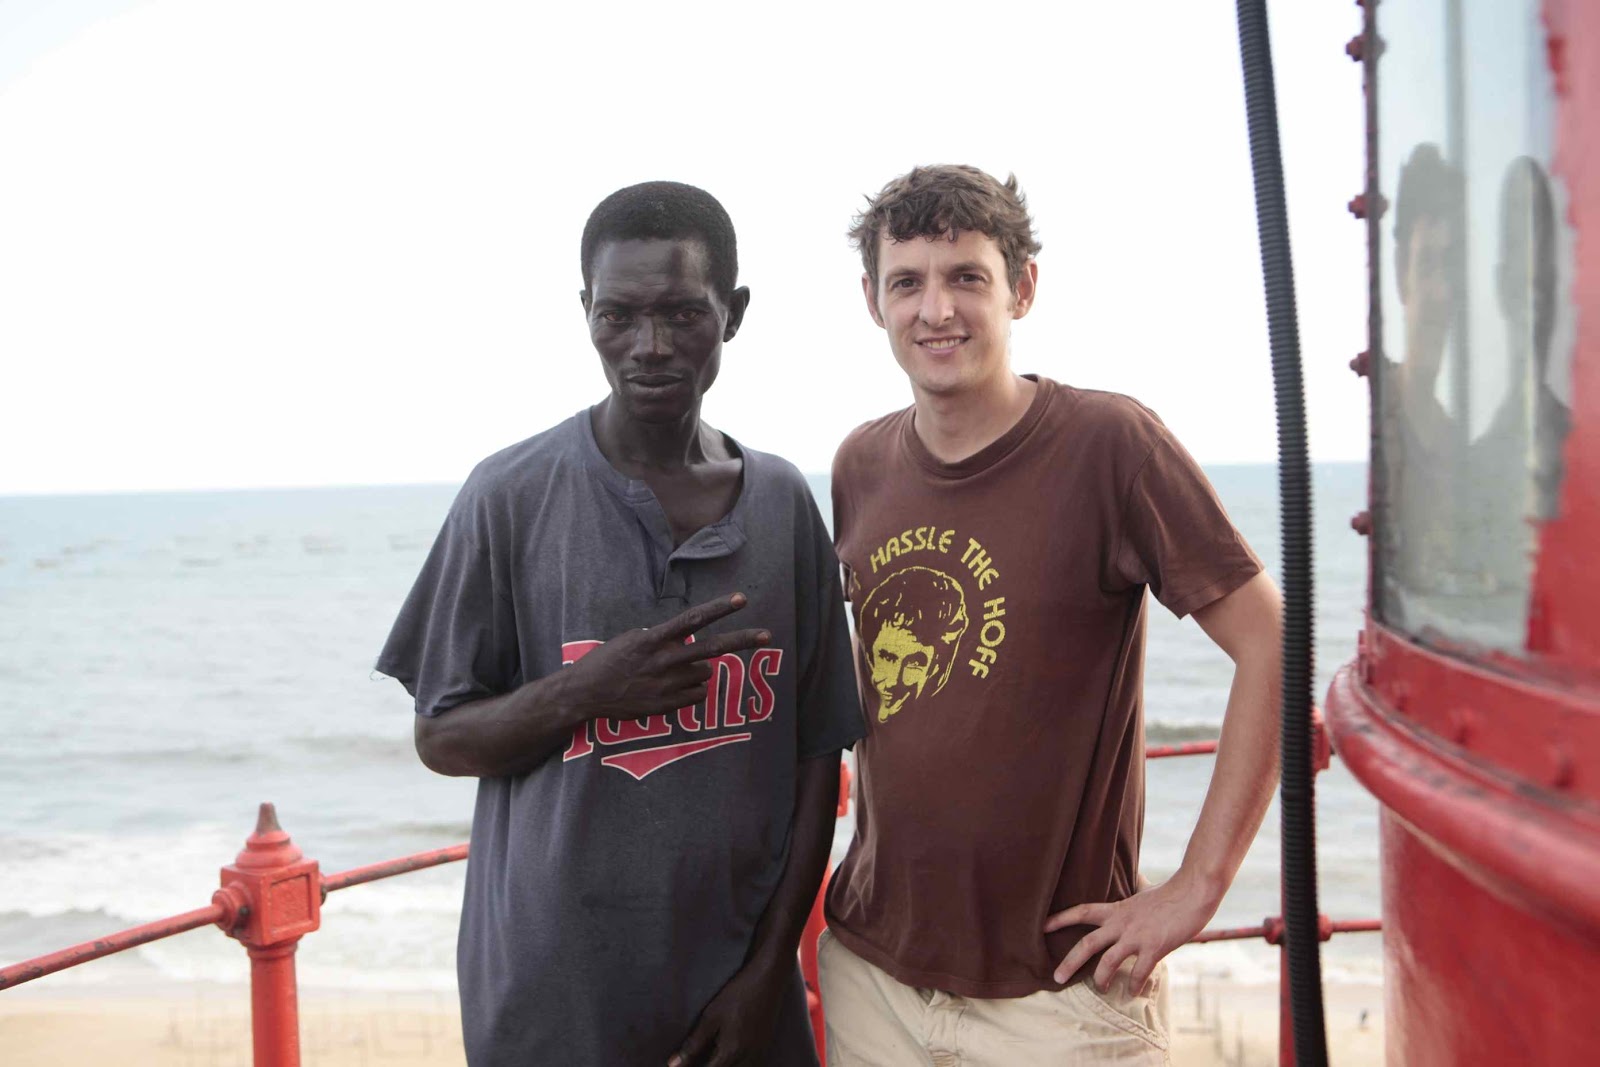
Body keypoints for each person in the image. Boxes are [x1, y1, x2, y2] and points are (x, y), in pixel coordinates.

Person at [376, 181, 864, 1066]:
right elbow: (440, 735)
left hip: (739, 990)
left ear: (733, 313)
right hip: (553, 998)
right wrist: (587, 689)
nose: (650, 346)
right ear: (586, 314)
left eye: (683, 313)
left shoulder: (784, 504)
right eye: (619, 316)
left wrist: (767, 972)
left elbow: (813, 757)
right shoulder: (509, 496)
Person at [817, 164, 1284, 1065]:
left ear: (1021, 288)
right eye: (906, 282)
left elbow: (1270, 640)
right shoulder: (860, 464)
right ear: (872, 301)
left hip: (1059, 991)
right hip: (874, 975)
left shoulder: (1110, 445)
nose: (936, 309)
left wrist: (1197, 885)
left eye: (967, 277)